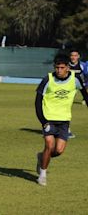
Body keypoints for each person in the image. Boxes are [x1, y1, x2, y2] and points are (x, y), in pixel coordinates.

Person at [35, 54, 88, 186]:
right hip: (49, 119)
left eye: (62, 67)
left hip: (64, 120)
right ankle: (42, 174)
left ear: (68, 68)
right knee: (49, 145)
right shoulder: (48, 79)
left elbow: (85, 96)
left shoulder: (76, 80)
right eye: (57, 67)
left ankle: (41, 157)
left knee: (58, 151)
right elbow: (37, 102)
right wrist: (43, 121)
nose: (59, 70)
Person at [68, 49, 87, 138]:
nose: (73, 57)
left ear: (78, 56)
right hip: (70, 89)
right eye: (72, 55)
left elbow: (86, 76)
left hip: (82, 87)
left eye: (75, 55)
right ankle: (66, 129)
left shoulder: (83, 65)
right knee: (66, 107)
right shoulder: (66, 65)